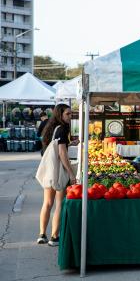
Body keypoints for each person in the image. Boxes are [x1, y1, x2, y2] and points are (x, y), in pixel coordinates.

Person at [37, 104, 76, 246]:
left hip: (49, 171)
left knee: (47, 203)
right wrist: (71, 174)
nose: (70, 117)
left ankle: (42, 234)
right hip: (59, 172)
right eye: (68, 114)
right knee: (59, 204)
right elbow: (62, 153)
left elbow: (52, 149)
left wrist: (70, 144)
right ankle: (54, 237)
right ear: (60, 115)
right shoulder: (62, 130)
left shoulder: (51, 129)